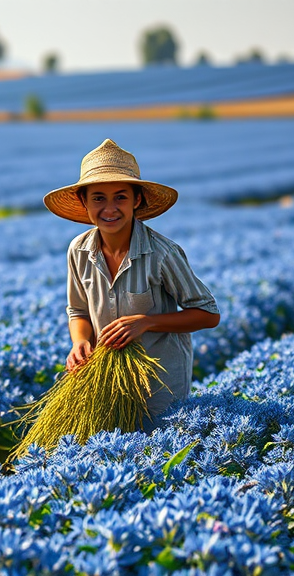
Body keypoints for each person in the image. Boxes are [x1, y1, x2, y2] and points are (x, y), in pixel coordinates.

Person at [43, 138, 221, 429]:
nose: (109, 208)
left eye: (120, 197)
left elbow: (209, 314)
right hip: (106, 379)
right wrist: (80, 343)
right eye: (98, 198)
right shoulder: (78, 250)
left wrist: (146, 323)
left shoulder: (163, 254)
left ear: (136, 200)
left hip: (161, 384)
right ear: (83, 202)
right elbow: (78, 312)